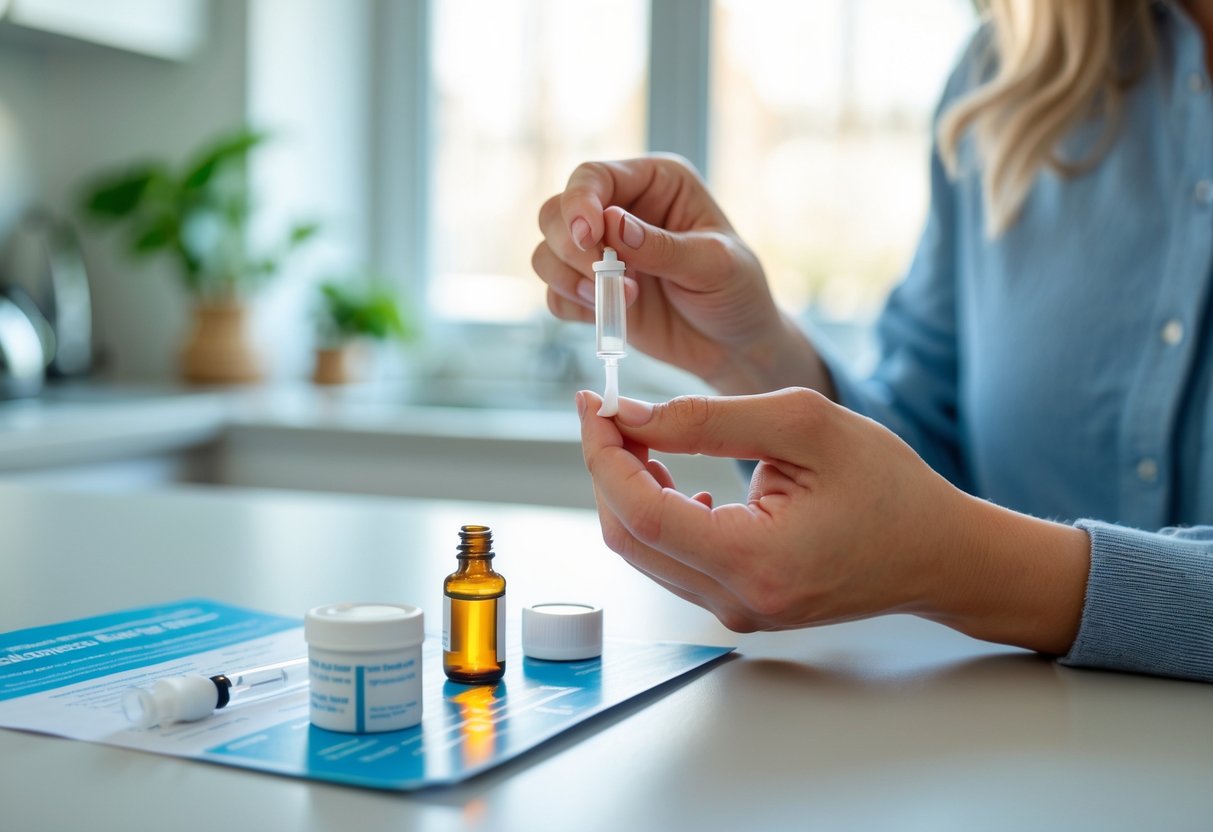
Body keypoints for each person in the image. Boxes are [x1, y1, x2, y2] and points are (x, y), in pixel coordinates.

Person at [532, 0, 1213, 683]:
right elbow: (929, 458)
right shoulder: (1004, 79)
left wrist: (961, 565)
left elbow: (940, 532)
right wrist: (745, 350)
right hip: (1011, 760)